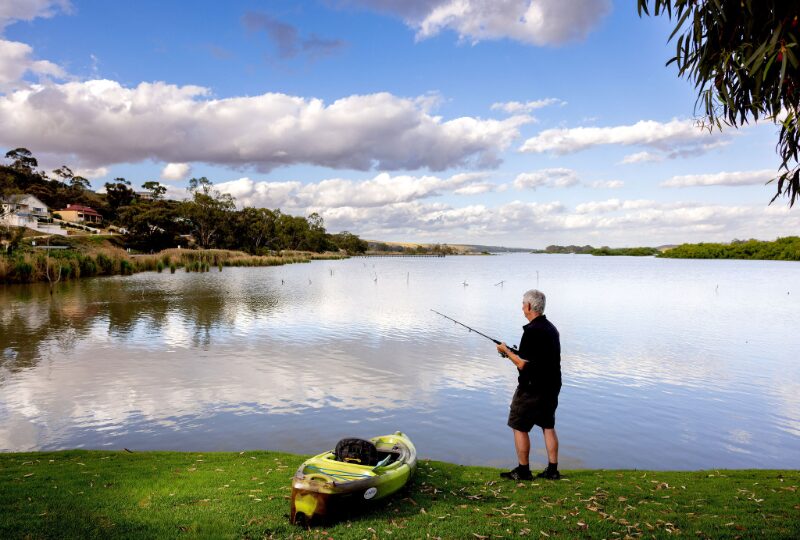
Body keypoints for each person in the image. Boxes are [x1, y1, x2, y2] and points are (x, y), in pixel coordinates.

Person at [496, 289, 562, 481]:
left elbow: (524, 364)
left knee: (519, 425)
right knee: (547, 425)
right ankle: (552, 470)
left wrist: (505, 352)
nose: (521, 306)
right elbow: (534, 357)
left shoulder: (532, 331)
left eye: (523, 303)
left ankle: (523, 471)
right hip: (551, 385)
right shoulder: (551, 328)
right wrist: (510, 352)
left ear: (529, 306)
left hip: (532, 387)